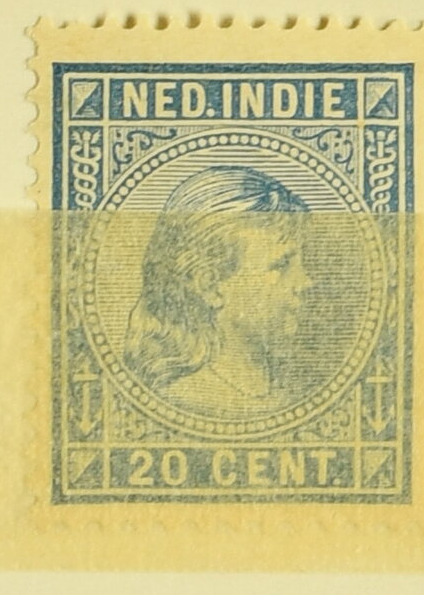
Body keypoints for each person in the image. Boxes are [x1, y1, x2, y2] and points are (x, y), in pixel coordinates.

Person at [123, 161, 348, 425]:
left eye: (301, 262)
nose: (306, 282)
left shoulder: (299, 387)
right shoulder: (180, 399)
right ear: (209, 287)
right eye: (281, 265)